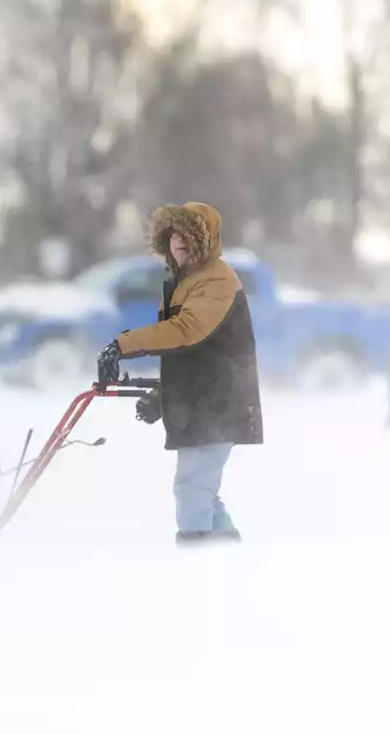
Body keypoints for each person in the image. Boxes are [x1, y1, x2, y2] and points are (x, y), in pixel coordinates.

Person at [97, 202, 263, 547]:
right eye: (174, 236)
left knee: (192, 489)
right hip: (206, 399)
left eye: (189, 236)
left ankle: (197, 561)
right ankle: (225, 555)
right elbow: (192, 353)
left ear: (206, 240)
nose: (180, 243)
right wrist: (164, 394)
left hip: (219, 403)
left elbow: (186, 330)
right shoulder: (186, 281)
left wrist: (123, 345)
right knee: (203, 491)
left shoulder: (215, 280)